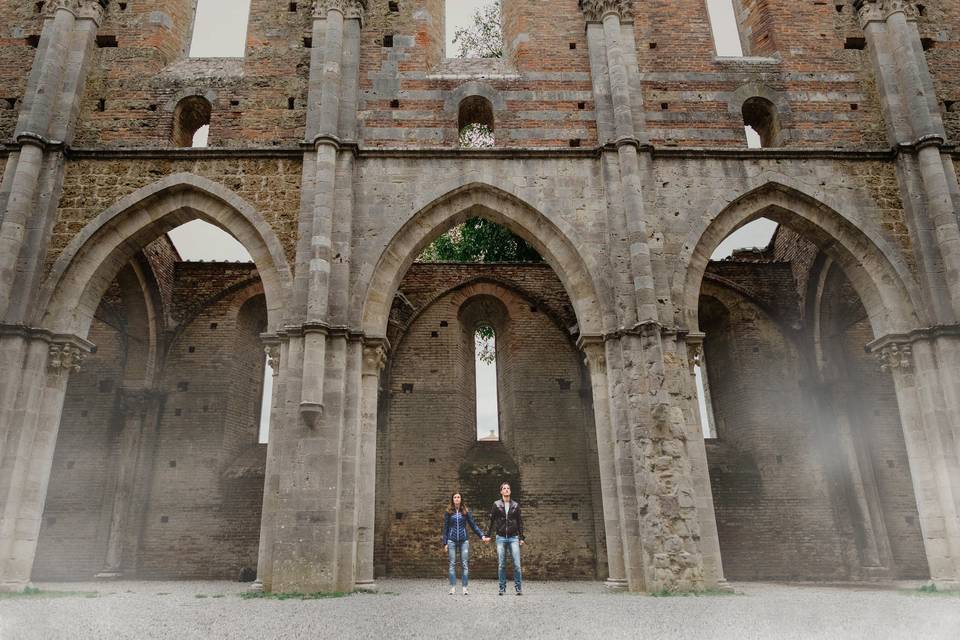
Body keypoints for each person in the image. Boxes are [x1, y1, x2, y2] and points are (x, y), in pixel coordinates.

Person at [442, 492, 489, 595]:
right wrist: (445, 543)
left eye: (458, 497)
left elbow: (473, 525)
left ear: (461, 499)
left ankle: (464, 587)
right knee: (452, 564)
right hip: (451, 540)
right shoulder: (448, 512)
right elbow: (445, 528)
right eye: (455, 497)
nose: (457, 499)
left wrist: (482, 536)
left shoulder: (465, 511)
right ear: (452, 499)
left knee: (464, 564)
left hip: (464, 541)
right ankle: (453, 587)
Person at [486, 481, 524, 595]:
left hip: (513, 537)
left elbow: (520, 522)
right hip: (501, 538)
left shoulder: (515, 505)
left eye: (508, 488)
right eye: (504, 488)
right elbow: (491, 521)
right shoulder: (496, 504)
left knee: (517, 564)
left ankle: (518, 588)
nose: (506, 490)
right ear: (501, 491)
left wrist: (521, 537)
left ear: (510, 491)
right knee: (501, 564)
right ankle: (502, 588)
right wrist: (488, 535)